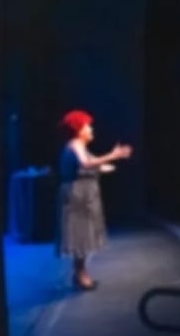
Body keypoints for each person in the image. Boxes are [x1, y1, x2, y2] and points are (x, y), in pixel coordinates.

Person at [55, 110, 132, 290]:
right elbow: (86, 163)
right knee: (80, 236)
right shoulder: (75, 144)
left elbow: (91, 162)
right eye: (87, 126)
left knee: (84, 235)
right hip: (77, 195)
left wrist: (105, 163)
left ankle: (80, 273)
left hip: (84, 194)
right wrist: (113, 155)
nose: (91, 129)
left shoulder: (81, 147)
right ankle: (80, 274)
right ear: (78, 129)